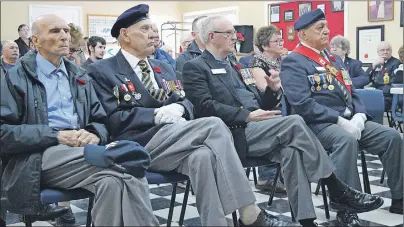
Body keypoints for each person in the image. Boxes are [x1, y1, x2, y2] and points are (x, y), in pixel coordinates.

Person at [87, 4, 300, 227]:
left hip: (176, 138)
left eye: (154, 29)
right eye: (145, 29)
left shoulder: (163, 67)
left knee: (203, 157)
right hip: (138, 143)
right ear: (125, 35)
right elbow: (109, 119)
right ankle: (250, 213)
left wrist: (180, 109)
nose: (153, 34)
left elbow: (187, 100)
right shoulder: (103, 70)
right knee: (214, 125)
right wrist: (155, 115)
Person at [182, 15, 384, 227]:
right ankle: (336, 187)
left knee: (293, 151)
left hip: (257, 126)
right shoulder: (195, 66)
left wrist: (271, 90)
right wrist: (246, 115)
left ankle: (306, 220)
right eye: (230, 33)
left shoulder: (234, 65)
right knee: (295, 121)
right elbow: (204, 106)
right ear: (213, 37)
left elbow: (258, 102)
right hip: (230, 133)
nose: (236, 37)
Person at [0, 14, 161, 226]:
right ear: (36, 41)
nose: (65, 37)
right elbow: (4, 133)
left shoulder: (80, 75)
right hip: (37, 157)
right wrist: (55, 135)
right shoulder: (15, 77)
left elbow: (101, 121)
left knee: (111, 182)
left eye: (66, 31)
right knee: (126, 166)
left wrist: (94, 134)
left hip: (81, 151)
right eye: (55, 31)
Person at [280, 9, 403, 224]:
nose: (327, 31)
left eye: (326, 26)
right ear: (303, 34)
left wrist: (360, 117)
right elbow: (302, 104)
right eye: (320, 28)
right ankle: (346, 207)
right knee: (344, 140)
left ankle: (400, 197)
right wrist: (339, 119)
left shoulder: (333, 59)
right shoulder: (294, 61)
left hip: (348, 120)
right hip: (317, 125)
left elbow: (352, 92)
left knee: (391, 137)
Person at [247, 25, 286, 193]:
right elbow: (264, 89)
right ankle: (267, 176)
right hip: (267, 106)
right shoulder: (257, 62)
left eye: (281, 39)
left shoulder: (283, 61)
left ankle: (289, 170)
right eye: (276, 40)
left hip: (285, 103)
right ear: (264, 44)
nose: (281, 43)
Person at [367, 41, 401, 111]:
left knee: (372, 106)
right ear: (378, 52)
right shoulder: (377, 62)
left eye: (388, 50)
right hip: (375, 92)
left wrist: (379, 92)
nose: (385, 52)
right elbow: (365, 77)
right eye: (382, 50)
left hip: (388, 95)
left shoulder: (396, 63)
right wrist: (374, 65)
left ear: (391, 51)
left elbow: (393, 82)